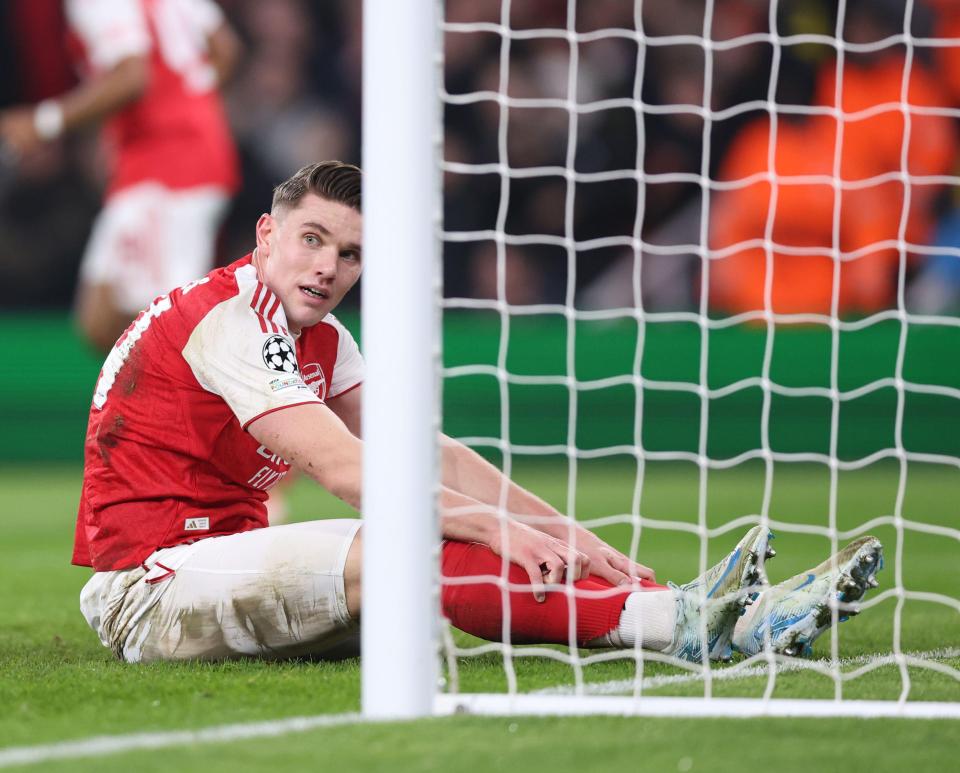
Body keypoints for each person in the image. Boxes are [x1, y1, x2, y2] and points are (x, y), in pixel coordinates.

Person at [73, 161, 884, 664]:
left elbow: (428, 454)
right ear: (265, 234)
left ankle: (704, 613)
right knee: (416, 542)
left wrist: (564, 530)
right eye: (311, 239)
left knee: (440, 542)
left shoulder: (323, 335)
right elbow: (349, 470)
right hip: (149, 588)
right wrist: (496, 528)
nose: (327, 267)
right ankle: (681, 624)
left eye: (349, 253)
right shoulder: (230, 320)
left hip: (227, 565)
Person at [0, 0, 241, 352]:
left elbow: (132, 76)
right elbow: (226, 49)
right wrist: (190, 102)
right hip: (172, 160)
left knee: (165, 330)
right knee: (105, 320)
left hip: (167, 171)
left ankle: (258, 367)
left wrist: (44, 122)